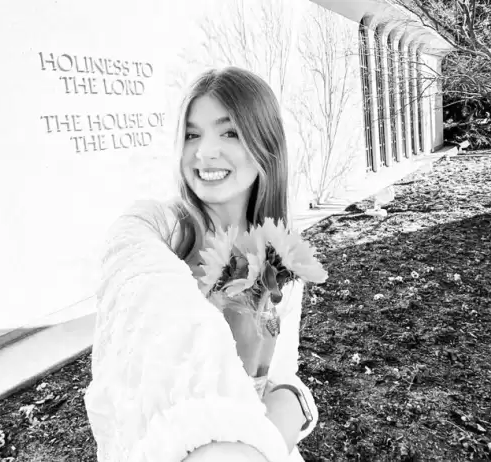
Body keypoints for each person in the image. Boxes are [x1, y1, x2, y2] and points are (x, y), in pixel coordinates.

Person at [84, 66, 319, 461]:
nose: (205, 151)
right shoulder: (162, 231)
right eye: (192, 135)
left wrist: (292, 409)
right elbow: (130, 250)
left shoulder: (280, 254)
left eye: (229, 132)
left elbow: (280, 376)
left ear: (266, 144)